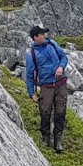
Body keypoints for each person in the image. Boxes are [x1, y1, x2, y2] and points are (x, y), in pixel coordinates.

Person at [25, 25, 68, 153]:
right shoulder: (31, 54)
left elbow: (64, 57)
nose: (45, 36)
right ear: (35, 37)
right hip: (46, 86)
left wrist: (61, 67)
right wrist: (31, 93)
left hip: (61, 83)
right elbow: (29, 75)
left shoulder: (53, 44)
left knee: (60, 111)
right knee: (45, 112)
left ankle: (58, 140)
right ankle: (45, 138)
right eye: (42, 34)